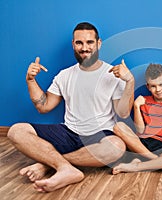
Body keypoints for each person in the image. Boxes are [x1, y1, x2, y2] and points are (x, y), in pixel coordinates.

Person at [7, 22, 135, 192]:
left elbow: (123, 113)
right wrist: (30, 80)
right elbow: (44, 107)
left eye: (90, 42)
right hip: (68, 133)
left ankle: (49, 165)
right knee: (16, 131)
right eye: (79, 43)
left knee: (117, 147)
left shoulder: (113, 73)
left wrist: (130, 81)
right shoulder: (64, 75)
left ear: (99, 43)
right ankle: (64, 167)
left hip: (100, 135)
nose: (84, 48)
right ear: (73, 45)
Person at [112, 64, 162, 179]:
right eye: (153, 86)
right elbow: (140, 130)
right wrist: (136, 106)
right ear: (148, 87)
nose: (158, 90)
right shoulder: (144, 101)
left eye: (161, 85)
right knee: (118, 126)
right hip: (143, 144)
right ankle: (158, 163)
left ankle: (139, 164)